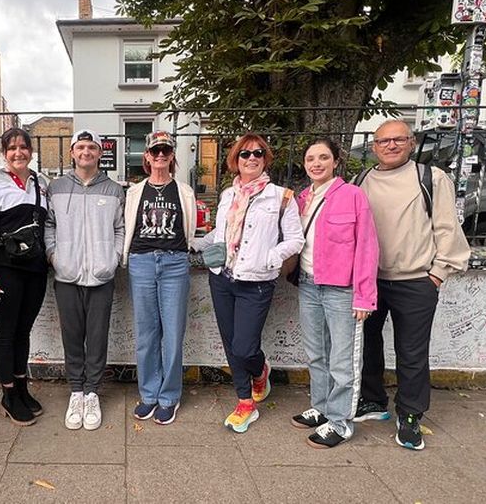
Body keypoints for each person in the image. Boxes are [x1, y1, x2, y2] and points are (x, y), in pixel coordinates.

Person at [354, 119, 470, 451]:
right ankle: (373, 400)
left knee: (412, 352)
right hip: (370, 280)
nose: (391, 146)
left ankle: (410, 415)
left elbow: (446, 227)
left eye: (398, 140)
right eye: (383, 141)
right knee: (367, 345)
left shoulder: (430, 178)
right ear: (374, 146)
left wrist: (437, 273)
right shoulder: (362, 180)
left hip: (415, 280)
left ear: (411, 142)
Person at [193, 133, 304, 433]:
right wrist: (193, 243)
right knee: (231, 345)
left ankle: (260, 370)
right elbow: (220, 234)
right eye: (245, 154)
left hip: (256, 282)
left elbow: (296, 239)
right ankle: (245, 402)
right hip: (222, 278)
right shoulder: (229, 195)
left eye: (258, 153)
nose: (251, 158)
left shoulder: (282, 197)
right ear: (236, 160)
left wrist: (272, 256)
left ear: (265, 159)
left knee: (244, 347)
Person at [291, 138, 379, 448]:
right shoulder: (302, 198)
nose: (316, 163)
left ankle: (341, 422)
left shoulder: (353, 196)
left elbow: (367, 247)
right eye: (311, 158)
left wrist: (364, 296)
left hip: (342, 290)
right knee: (317, 354)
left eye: (323, 157)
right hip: (308, 283)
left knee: (343, 360)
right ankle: (322, 407)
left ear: (335, 162)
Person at [44, 129, 125, 431]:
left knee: (98, 337)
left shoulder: (114, 190)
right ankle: (75, 391)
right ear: (73, 153)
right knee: (72, 336)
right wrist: (54, 256)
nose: (87, 152)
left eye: (92, 147)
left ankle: (92, 393)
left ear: (100, 152)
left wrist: (113, 258)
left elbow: (120, 228)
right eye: (81, 147)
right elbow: (49, 226)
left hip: (101, 275)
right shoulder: (56, 187)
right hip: (67, 275)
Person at [0, 127, 49, 426]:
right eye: (11, 148)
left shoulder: (41, 183)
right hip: (6, 271)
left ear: (31, 151)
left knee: (23, 332)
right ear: (3, 153)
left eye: (23, 147)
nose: (18, 152)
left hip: (35, 270)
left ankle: (21, 387)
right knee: (6, 333)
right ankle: (8, 395)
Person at [123, 130, 196, 425]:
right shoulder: (134, 192)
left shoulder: (184, 191)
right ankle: (149, 394)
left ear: (172, 156)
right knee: (146, 333)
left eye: (166, 151)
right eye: (156, 151)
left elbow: (191, 231)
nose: (161, 156)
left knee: (173, 333)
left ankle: (169, 397)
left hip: (175, 263)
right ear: (147, 157)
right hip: (141, 262)